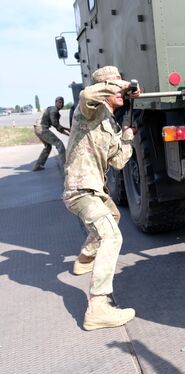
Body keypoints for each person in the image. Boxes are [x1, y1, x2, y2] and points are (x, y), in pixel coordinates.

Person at [63, 66, 140, 331]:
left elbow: (117, 162)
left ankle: (85, 257)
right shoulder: (88, 109)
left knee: (114, 218)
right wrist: (125, 84)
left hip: (95, 190)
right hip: (80, 189)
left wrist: (127, 137)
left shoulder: (109, 120)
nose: (121, 91)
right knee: (111, 236)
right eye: (115, 85)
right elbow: (87, 94)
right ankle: (97, 307)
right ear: (106, 88)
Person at [32, 96, 70, 171]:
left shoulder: (53, 110)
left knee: (48, 147)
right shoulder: (54, 110)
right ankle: (65, 166)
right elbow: (55, 124)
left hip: (37, 128)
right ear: (55, 102)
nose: (61, 104)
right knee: (59, 144)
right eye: (59, 102)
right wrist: (67, 130)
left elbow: (57, 127)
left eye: (62, 103)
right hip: (42, 129)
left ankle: (38, 166)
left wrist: (68, 133)